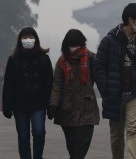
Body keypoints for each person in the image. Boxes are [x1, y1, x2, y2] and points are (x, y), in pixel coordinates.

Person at [94, 3, 136, 159]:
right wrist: (105, 88)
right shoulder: (109, 40)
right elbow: (99, 67)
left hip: (135, 92)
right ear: (130, 19)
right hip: (114, 93)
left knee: (134, 130)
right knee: (116, 136)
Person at [2, 27, 53, 159]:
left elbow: (49, 84)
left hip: (39, 103)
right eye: (24, 38)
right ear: (20, 41)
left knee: (39, 131)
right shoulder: (13, 60)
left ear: (36, 39)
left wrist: (51, 106)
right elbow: (8, 85)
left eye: (30, 37)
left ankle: (38, 156)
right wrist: (6, 106)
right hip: (20, 105)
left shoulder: (44, 59)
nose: (28, 40)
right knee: (23, 137)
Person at [48, 29, 100, 158]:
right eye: (72, 44)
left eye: (77, 44)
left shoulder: (92, 59)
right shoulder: (61, 62)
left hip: (87, 109)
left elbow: (101, 80)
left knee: (81, 147)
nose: (74, 48)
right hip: (67, 111)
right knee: (72, 147)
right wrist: (53, 104)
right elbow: (57, 85)